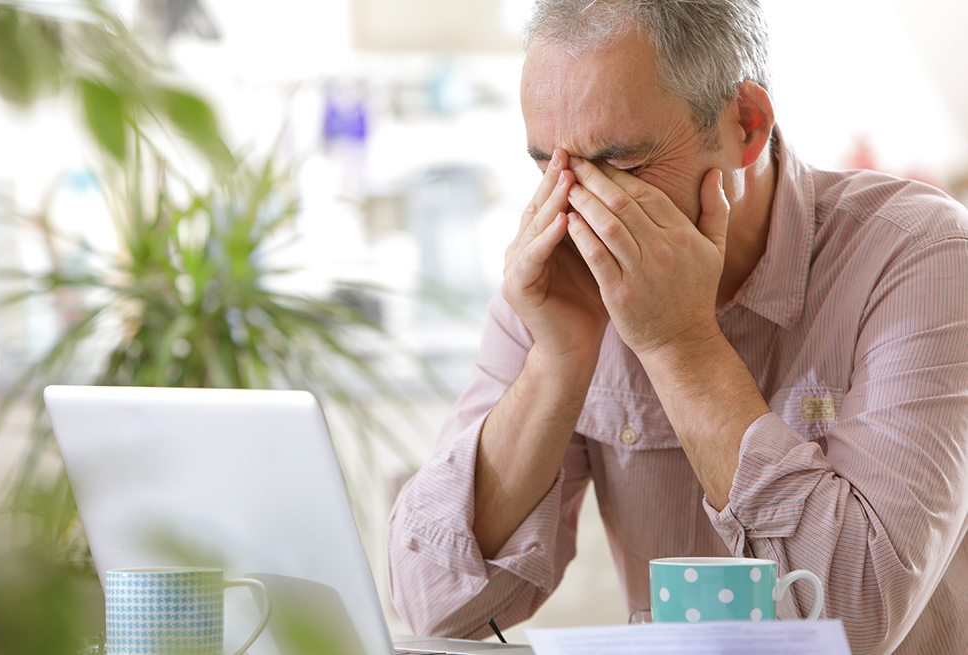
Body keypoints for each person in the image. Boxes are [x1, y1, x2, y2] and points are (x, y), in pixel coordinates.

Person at [385, 1, 968, 653]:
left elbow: (857, 622)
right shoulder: (558, 274)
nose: (575, 209)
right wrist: (557, 359)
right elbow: (433, 606)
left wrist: (680, 345)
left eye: (621, 167)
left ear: (744, 126)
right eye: (547, 165)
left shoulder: (922, 253)